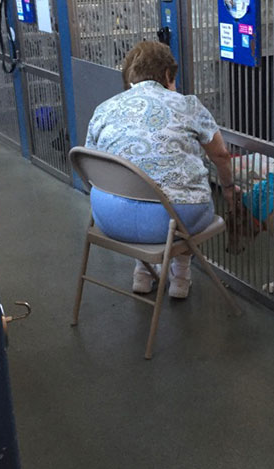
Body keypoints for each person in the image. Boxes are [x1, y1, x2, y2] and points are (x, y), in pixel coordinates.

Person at [85, 40, 235, 299]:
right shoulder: (187, 105)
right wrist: (230, 189)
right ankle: (180, 276)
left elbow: (90, 165)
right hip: (174, 220)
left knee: (140, 191)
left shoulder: (105, 109)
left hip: (109, 218)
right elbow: (220, 154)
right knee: (185, 194)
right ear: (167, 75)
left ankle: (143, 273)